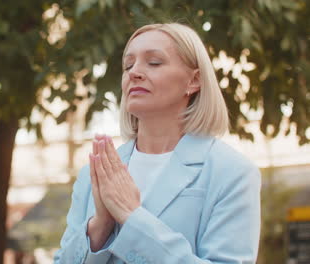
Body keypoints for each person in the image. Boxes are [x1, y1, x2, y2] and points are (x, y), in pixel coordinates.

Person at [53, 23, 261, 264]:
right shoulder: (95, 172)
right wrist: (100, 225)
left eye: (154, 63)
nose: (134, 73)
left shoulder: (232, 172)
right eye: (128, 65)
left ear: (194, 81)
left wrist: (133, 219)